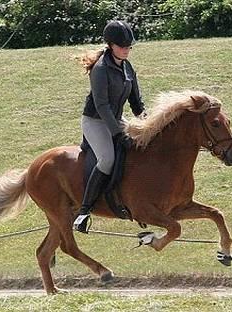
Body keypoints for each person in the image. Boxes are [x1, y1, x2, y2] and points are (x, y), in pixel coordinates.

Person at [73, 20, 146, 233]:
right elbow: (102, 105)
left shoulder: (127, 67)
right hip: (95, 121)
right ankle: (84, 211)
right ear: (111, 45)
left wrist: (146, 122)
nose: (126, 50)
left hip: (116, 119)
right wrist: (117, 133)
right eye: (122, 46)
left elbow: (136, 101)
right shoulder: (101, 69)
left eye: (129, 46)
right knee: (107, 159)